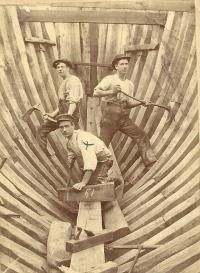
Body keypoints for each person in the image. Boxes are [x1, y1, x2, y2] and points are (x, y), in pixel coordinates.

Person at [93, 54, 157, 169]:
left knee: (141, 135)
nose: (124, 66)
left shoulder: (129, 84)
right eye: (121, 64)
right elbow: (96, 92)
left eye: (126, 64)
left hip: (123, 117)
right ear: (116, 67)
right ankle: (96, 174)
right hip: (110, 117)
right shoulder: (109, 79)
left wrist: (141, 102)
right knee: (102, 147)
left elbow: (129, 104)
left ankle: (151, 164)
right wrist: (111, 91)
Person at [36, 58, 83, 156]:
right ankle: (46, 156)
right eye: (58, 67)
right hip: (62, 113)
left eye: (62, 67)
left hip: (70, 114)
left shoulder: (73, 81)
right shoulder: (64, 81)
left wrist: (68, 116)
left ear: (68, 68)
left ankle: (84, 161)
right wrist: (53, 113)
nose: (60, 69)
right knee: (42, 130)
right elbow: (63, 103)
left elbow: (73, 101)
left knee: (75, 140)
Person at [57, 114, 114, 191]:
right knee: (87, 185)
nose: (64, 130)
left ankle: (110, 180)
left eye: (66, 126)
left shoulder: (83, 138)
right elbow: (71, 151)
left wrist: (83, 182)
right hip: (94, 162)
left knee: (97, 185)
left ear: (73, 125)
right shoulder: (68, 140)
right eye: (61, 127)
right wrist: (71, 159)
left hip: (104, 160)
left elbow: (90, 160)